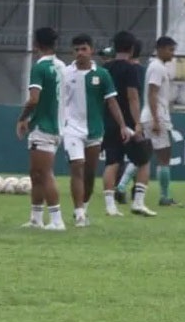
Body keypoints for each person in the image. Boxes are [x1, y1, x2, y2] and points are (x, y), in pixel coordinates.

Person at [62, 34, 131, 227]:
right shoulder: (65, 73)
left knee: (90, 173)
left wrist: (123, 125)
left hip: (94, 130)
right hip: (71, 129)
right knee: (77, 166)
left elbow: (111, 101)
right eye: (76, 50)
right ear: (72, 52)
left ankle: (83, 206)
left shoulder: (101, 75)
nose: (80, 53)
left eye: (83, 49)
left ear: (91, 50)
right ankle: (79, 213)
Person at [101, 31, 156, 217]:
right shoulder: (131, 69)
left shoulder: (105, 68)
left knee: (112, 162)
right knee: (144, 159)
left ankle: (110, 205)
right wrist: (138, 123)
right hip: (129, 123)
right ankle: (138, 202)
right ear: (132, 49)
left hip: (109, 120)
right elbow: (133, 97)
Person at [16, 27, 66, 231]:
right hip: (57, 125)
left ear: (36, 44)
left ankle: (57, 220)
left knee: (44, 173)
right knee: (35, 173)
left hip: (43, 127)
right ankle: (36, 218)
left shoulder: (40, 67)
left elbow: (34, 99)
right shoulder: (62, 65)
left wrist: (22, 118)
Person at [142, 36, 179, 206]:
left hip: (150, 115)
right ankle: (165, 196)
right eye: (170, 50)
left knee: (144, 155)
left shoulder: (156, 66)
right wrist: (157, 120)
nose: (172, 54)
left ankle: (121, 187)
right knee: (164, 157)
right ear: (161, 49)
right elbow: (152, 93)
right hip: (156, 116)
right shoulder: (157, 68)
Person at [114, 38, 149, 201]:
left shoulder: (119, 69)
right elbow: (137, 96)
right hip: (139, 117)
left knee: (119, 156)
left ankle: (119, 187)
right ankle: (131, 188)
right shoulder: (141, 70)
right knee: (141, 155)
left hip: (120, 115)